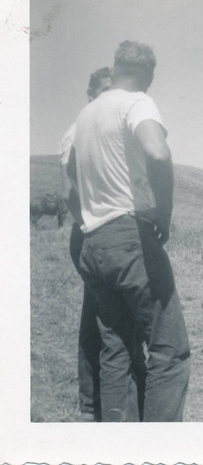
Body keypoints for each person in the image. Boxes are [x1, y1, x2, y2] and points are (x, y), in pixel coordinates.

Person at [67, 40, 190, 421]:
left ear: (115, 65)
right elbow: (157, 151)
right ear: (147, 77)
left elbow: (72, 179)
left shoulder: (86, 114)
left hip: (92, 242)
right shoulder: (136, 101)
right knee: (170, 349)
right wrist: (162, 213)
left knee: (116, 347)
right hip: (129, 236)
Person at [58, 66, 112, 422]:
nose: (109, 98)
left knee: (96, 314)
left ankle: (94, 400)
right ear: (90, 94)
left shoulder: (102, 128)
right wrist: (89, 223)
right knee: (103, 317)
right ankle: (98, 402)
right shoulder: (78, 130)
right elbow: (68, 191)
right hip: (91, 232)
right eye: (103, 91)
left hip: (98, 232)